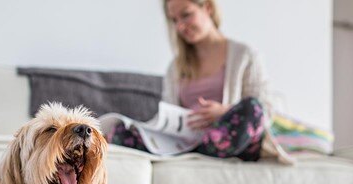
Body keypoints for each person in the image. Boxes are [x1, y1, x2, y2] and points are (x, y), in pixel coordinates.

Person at [108, 0, 274, 161]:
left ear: (208, 7)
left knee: (253, 107)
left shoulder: (245, 55)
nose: (180, 26)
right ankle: (195, 151)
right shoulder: (176, 67)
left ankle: (207, 148)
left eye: (186, 15)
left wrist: (224, 111)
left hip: (230, 138)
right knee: (120, 132)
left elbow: (265, 112)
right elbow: (169, 114)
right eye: (174, 20)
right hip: (187, 142)